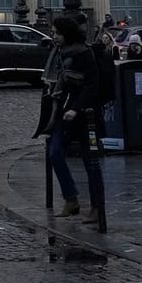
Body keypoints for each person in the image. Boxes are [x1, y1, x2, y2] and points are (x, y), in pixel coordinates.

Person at [43, 15, 106, 224]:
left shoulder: (84, 53)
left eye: (57, 33)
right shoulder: (58, 52)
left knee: (91, 162)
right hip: (62, 111)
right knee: (54, 152)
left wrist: (76, 109)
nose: (54, 36)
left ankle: (97, 207)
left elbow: (92, 84)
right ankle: (71, 199)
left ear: (67, 34)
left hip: (84, 114)